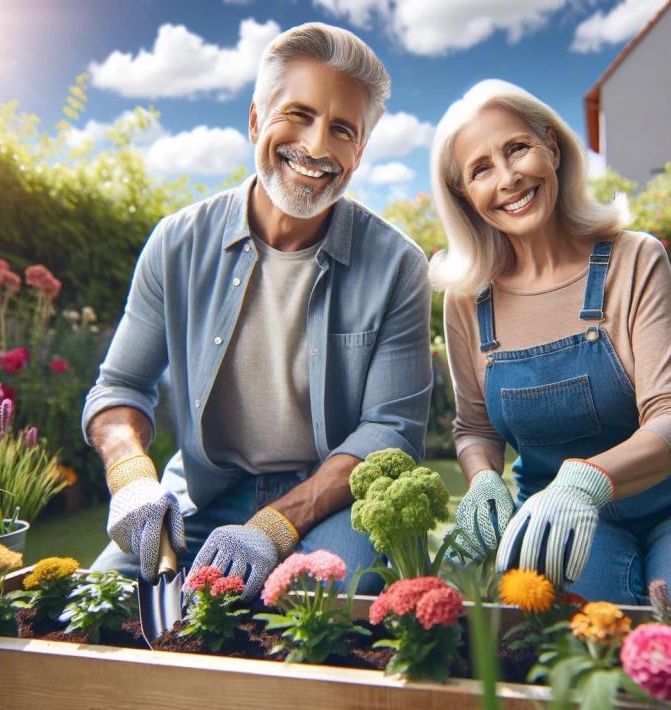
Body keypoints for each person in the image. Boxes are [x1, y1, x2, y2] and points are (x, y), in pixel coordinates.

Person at [82, 23, 432, 598]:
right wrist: (130, 477)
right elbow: (119, 388)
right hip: (203, 493)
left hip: (332, 500)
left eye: (342, 129)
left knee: (326, 611)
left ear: (360, 152)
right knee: (95, 609)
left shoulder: (398, 266)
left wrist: (276, 523)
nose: (317, 146)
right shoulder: (176, 243)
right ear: (254, 120)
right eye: (298, 113)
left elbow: (390, 431)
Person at [431, 80, 671, 608]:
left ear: (552, 148)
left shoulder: (634, 260)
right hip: (551, 517)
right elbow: (475, 428)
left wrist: (587, 480)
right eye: (481, 168)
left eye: (517, 148)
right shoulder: (469, 300)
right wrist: (481, 481)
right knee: (578, 643)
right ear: (465, 196)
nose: (509, 177)